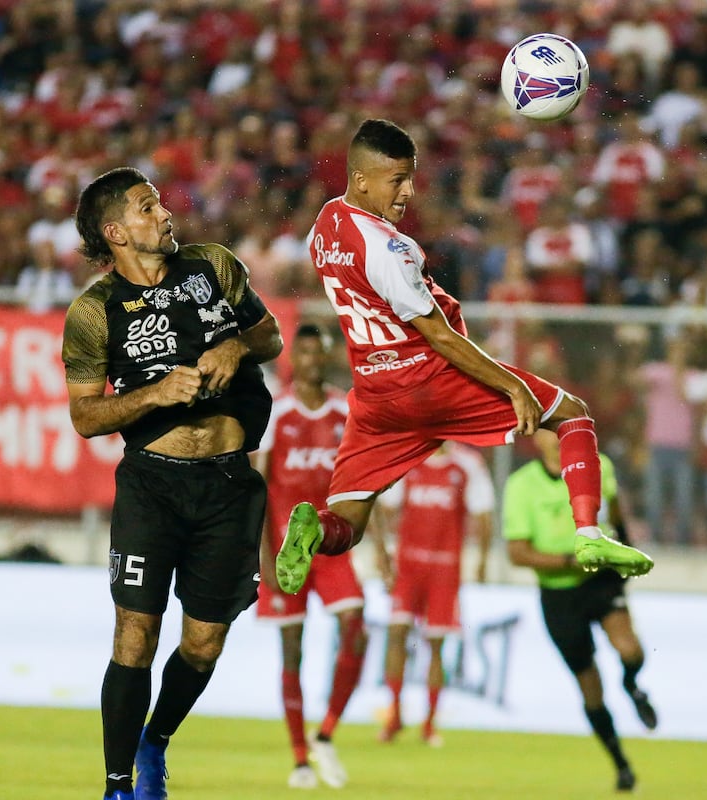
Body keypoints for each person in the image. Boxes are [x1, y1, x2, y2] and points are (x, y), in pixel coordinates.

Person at [274, 118, 652, 597]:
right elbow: (441, 337)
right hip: (430, 382)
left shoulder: (325, 224)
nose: (408, 191)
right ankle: (589, 535)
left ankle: (313, 530)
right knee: (574, 416)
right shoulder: (389, 249)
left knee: (348, 521)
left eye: (410, 177)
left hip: (375, 397)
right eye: (396, 180)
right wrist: (512, 386)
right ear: (361, 178)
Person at [62, 166, 283, 800]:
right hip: (152, 486)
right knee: (135, 632)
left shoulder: (213, 265)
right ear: (116, 231)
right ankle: (115, 785)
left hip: (230, 483)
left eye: (158, 201)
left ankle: (154, 739)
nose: (163, 213)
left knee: (205, 642)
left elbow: (269, 335)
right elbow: (84, 415)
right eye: (146, 206)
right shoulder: (93, 312)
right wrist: (157, 393)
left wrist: (235, 348)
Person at [502, 429, 657, 793]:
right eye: (546, 429)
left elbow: (615, 507)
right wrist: (568, 560)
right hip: (558, 595)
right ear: (535, 440)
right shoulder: (521, 485)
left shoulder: (598, 465)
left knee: (629, 649)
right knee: (590, 688)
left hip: (599, 580)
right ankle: (620, 763)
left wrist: (624, 545)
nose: (556, 434)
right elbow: (517, 553)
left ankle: (632, 684)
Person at [254, 323, 366, 790]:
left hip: (331, 547)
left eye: (321, 353)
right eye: (305, 353)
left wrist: (368, 536)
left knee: (357, 629)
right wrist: (263, 558)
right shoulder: (277, 413)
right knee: (292, 651)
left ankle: (326, 734)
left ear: (327, 358)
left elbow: (363, 482)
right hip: (286, 554)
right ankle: (300, 758)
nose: (313, 361)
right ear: (292, 361)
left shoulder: (346, 409)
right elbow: (256, 489)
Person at [375, 441, 494, 746]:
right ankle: (396, 714)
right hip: (408, 565)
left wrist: (481, 560)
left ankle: (429, 723)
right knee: (397, 633)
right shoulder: (409, 458)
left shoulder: (467, 465)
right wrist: (384, 556)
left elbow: (482, 513)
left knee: (436, 644)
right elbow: (387, 508)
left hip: (444, 568)